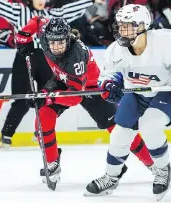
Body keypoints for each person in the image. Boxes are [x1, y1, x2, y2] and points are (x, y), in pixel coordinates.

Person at [84, 4, 171, 201]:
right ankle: (111, 177)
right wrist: (110, 86)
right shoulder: (115, 50)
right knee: (119, 133)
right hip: (139, 91)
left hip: (170, 90)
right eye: (120, 25)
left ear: (143, 25)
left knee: (150, 125)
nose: (121, 30)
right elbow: (108, 76)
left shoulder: (165, 40)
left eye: (128, 25)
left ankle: (163, 172)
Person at [15, 16, 156, 184]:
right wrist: (23, 35)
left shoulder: (76, 57)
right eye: (53, 43)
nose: (57, 47)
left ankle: (154, 164)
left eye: (61, 42)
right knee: (43, 117)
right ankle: (52, 162)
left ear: (68, 39)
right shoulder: (47, 35)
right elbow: (38, 20)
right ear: (46, 38)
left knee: (119, 129)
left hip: (91, 88)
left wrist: (46, 99)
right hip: (62, 80)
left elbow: (75, 97)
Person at [0, 0, 104, 148]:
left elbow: (72, 9)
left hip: (48, 59)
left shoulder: (53, 15)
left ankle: (40, 131)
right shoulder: (20, 11)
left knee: (48, 96)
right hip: (25, 57)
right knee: (21, 101)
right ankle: (6, 134)